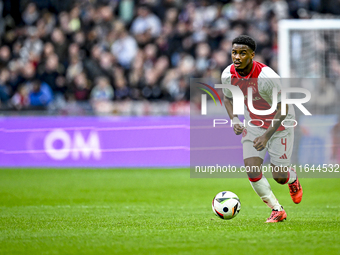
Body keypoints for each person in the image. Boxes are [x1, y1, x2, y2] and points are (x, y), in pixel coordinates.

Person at [221, 35, 303, 223]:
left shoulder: (268, 78)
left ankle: (292, 179)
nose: (237, 57)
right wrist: (234, 118)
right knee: (251, 169)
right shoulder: (228, 74)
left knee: (280, 177)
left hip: (280, 123)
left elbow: (284, 108)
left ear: (252, 55)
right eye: (234, 52)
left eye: (243, 53)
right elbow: (228, 97)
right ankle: (277, 209)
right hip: (254, 122)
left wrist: (266, 136)